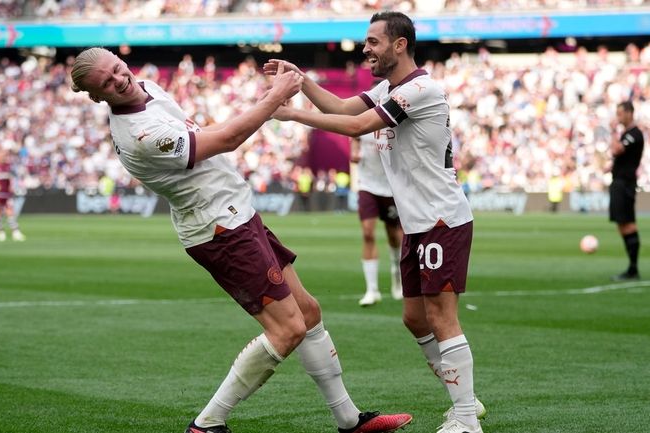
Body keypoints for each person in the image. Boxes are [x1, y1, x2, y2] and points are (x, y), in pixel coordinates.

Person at [69, 47, 412, 433]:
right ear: (98, 97)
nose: (119, 79)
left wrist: (269, 101)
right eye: (107, 83)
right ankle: (207, 423)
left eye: (117, 69)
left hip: (237, 213)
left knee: (309, 313)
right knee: (288, 330)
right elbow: (226, 140)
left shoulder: (147, 89)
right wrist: (273, 97)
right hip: (219, 229)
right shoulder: (141, 134)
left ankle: (350, 421)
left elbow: (209, 132)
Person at [264, 11, 486, 433]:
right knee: (415, 318)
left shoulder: (420, 89)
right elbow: (343, 105)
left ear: (399, 45)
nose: (365, 49)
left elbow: (355, 124)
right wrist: (301, 80)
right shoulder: (388, 87)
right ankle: (467, 400)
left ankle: (465, 418)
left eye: (373, 41)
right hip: (418, 221)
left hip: (441, 218)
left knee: (441, 317)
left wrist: (293, 114)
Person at [350, 133, 403, 306]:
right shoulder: (364, 116)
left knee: (395, 235)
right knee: (367, 233)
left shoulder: (393, 116)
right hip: (367, 185)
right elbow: (354, 134)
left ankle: (397, 277)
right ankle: (372, 290)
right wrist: (355, 151)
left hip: (392, 186)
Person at [609, 100, 644, 281]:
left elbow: (616, 149)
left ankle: (633, 269)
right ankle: (632, 267)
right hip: (619, 182)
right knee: (622, 224)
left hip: (625, 183)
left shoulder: (634, 134)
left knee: (628, 223)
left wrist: (613, 131)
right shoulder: (627, 134)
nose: (618, 117)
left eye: (620, 113)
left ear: (630, 113)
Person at [0, 149, 25, 242]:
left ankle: (15, 232)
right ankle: (0, 231)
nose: (4, 158)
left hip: (7, 194)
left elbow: (15, 178)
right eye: (2, 155)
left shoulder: (9, 167)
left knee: (10, 211)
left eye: (5, 156)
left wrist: (14, 186)